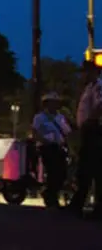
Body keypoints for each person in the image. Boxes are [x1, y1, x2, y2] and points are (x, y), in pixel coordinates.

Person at [69, 60, 102, 218]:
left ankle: (90, 205)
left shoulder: (98, 86)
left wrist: (91, 121)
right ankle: (78, 203)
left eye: (87, 71)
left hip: (94, 130)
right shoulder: (89, 87)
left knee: (91, 168)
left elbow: (100, 104)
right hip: (88, 130)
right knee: (86, 169)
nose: (84, 75)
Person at [31, 91, 71, 208]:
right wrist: (44, 140)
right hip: (47, 147)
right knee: (53, 172)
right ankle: (51, 198)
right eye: (52, 103)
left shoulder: (60, 117)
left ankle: (50, 193)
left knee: (62, 173)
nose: (55, 105)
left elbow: (67, 132)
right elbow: (35, 133)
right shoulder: (39, 118)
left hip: (59, 147)